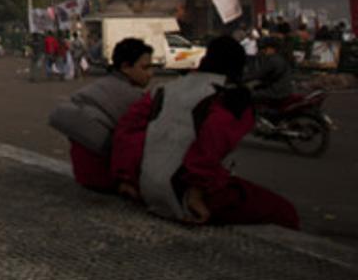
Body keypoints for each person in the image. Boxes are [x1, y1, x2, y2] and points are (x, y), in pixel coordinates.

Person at [111, 36, 299, 229]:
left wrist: (126, 178)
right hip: (187, 195)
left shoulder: (162, 90)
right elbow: (213, 139)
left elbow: (127, 131)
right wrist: (197, 190)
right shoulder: (230, 96)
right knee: (285, 212)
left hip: (147, 189)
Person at [48, 38, 153, 191]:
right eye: (145, 68)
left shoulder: (100, 86)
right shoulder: (135, 99)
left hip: (83, 173)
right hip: (107, 177)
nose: (151, 74)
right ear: (125, 67)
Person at [246, 36, 294, 106]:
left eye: (263, 49)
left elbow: (258, 74)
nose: (261, 51)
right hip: (282, 90)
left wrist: (241, 78)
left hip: (276, 93)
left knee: (247, 95)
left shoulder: (273, 60)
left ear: (270, 48)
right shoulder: (279, 57)